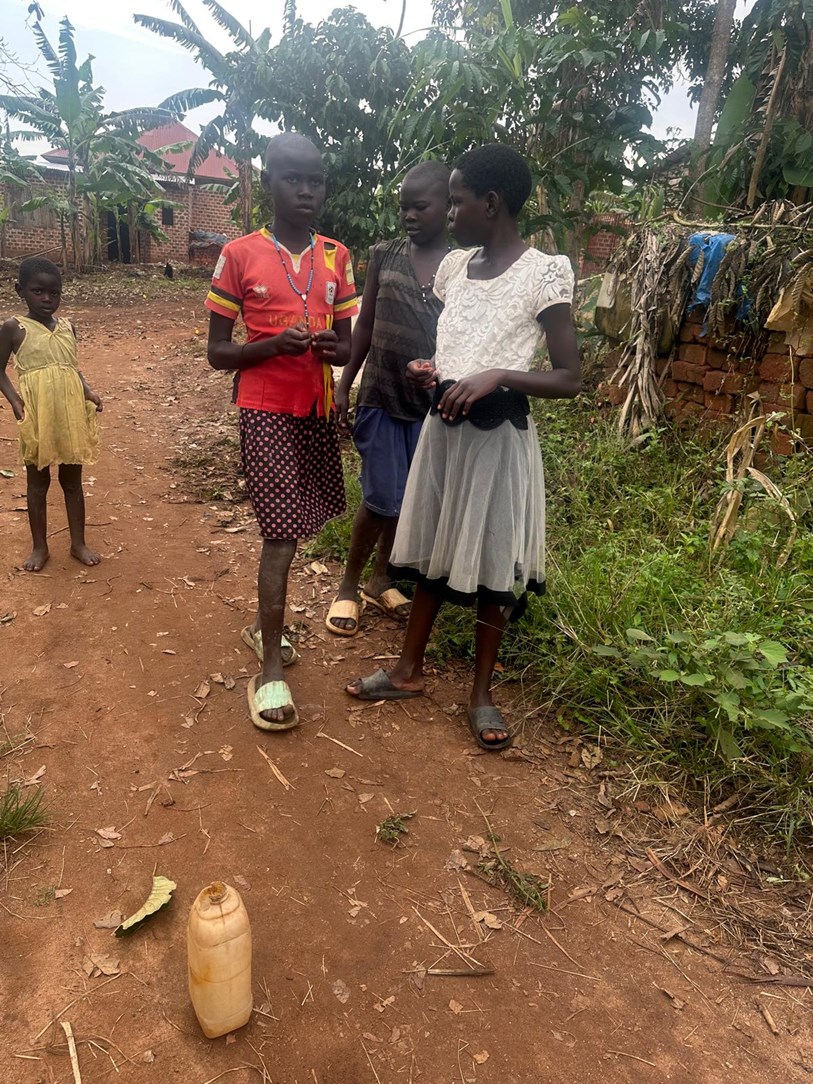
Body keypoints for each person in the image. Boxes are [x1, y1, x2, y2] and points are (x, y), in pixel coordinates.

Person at [346, 144, 581, 751]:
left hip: (496, 442)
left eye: (457, 201)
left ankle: (480, 694)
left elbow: (569, 377)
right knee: (431, 550)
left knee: (493, 564)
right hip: (443, 434)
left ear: (492, 203)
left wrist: (496, 377)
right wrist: (434, 370)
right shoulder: (456, 269)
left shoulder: (544, 273)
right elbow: (459, 345)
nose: (450, 213)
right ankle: (407, 670)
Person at [206, 132, 358, 732]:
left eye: (315, 180)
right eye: (293, 179)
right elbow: (218, 353)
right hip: (264, 408)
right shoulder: (238, 254)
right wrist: (272, 345)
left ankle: (260, 627)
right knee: (281, 535)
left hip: (315, 410)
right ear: (268, 182)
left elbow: (348, 346)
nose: (306, 191)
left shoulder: (337, 256)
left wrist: (332, 349)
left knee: (300, 524)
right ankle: (269, 667)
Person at [327, 160, 450, 636]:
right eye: (404, 207)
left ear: (448, 206)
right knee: (380, 496)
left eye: (421, 206)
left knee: (407, 497)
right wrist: (344, 384)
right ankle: (348, 585)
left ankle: (381, 579)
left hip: (429, 403)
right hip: (380, 393)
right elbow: (365, 325)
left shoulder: (462, 266)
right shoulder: (385, 254)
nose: (410, 215)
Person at [0, 257, 102, 572]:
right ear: (20, 290)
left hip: (70, 413)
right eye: (38, 291)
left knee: (72, 480)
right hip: (38, 414)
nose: (47, 299)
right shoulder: (14, 328)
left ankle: (78, 543)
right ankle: (40, 547)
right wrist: (15, 401)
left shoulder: (69, 327)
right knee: (38, 482)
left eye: (54, 293)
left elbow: (71, 367)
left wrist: (88, 390)